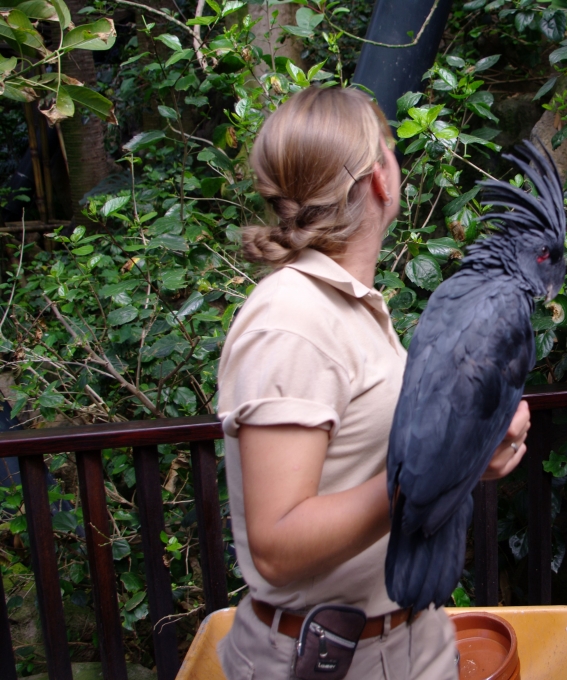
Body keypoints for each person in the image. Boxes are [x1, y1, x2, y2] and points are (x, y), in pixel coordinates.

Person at [215, 87, 530, 680]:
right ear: (381, 177)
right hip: (335, 659)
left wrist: (473, 445)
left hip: (400, 639)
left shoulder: (349, 307)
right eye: (390, 148)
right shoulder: (292, 321)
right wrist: (441, 474)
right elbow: (277, 547)